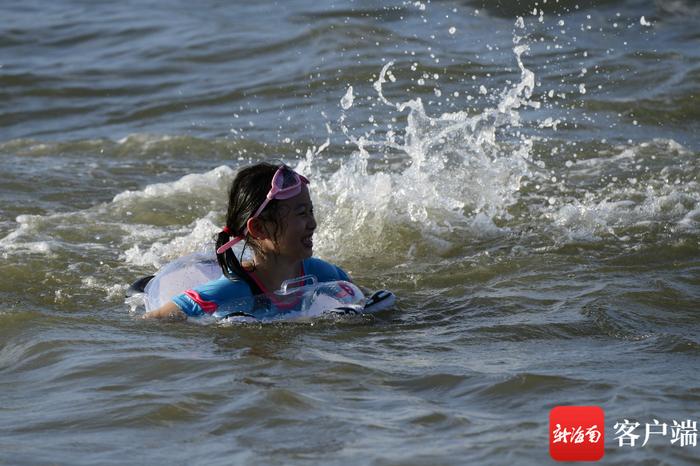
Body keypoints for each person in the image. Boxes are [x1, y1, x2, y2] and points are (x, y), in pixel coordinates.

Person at [143, 162, 351, 320]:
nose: (312, 223)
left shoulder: (321, 273)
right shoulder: (233, 289)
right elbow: (156, 320)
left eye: (310, 211)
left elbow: (364, 298)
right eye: (301, 213)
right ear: (259, 228)